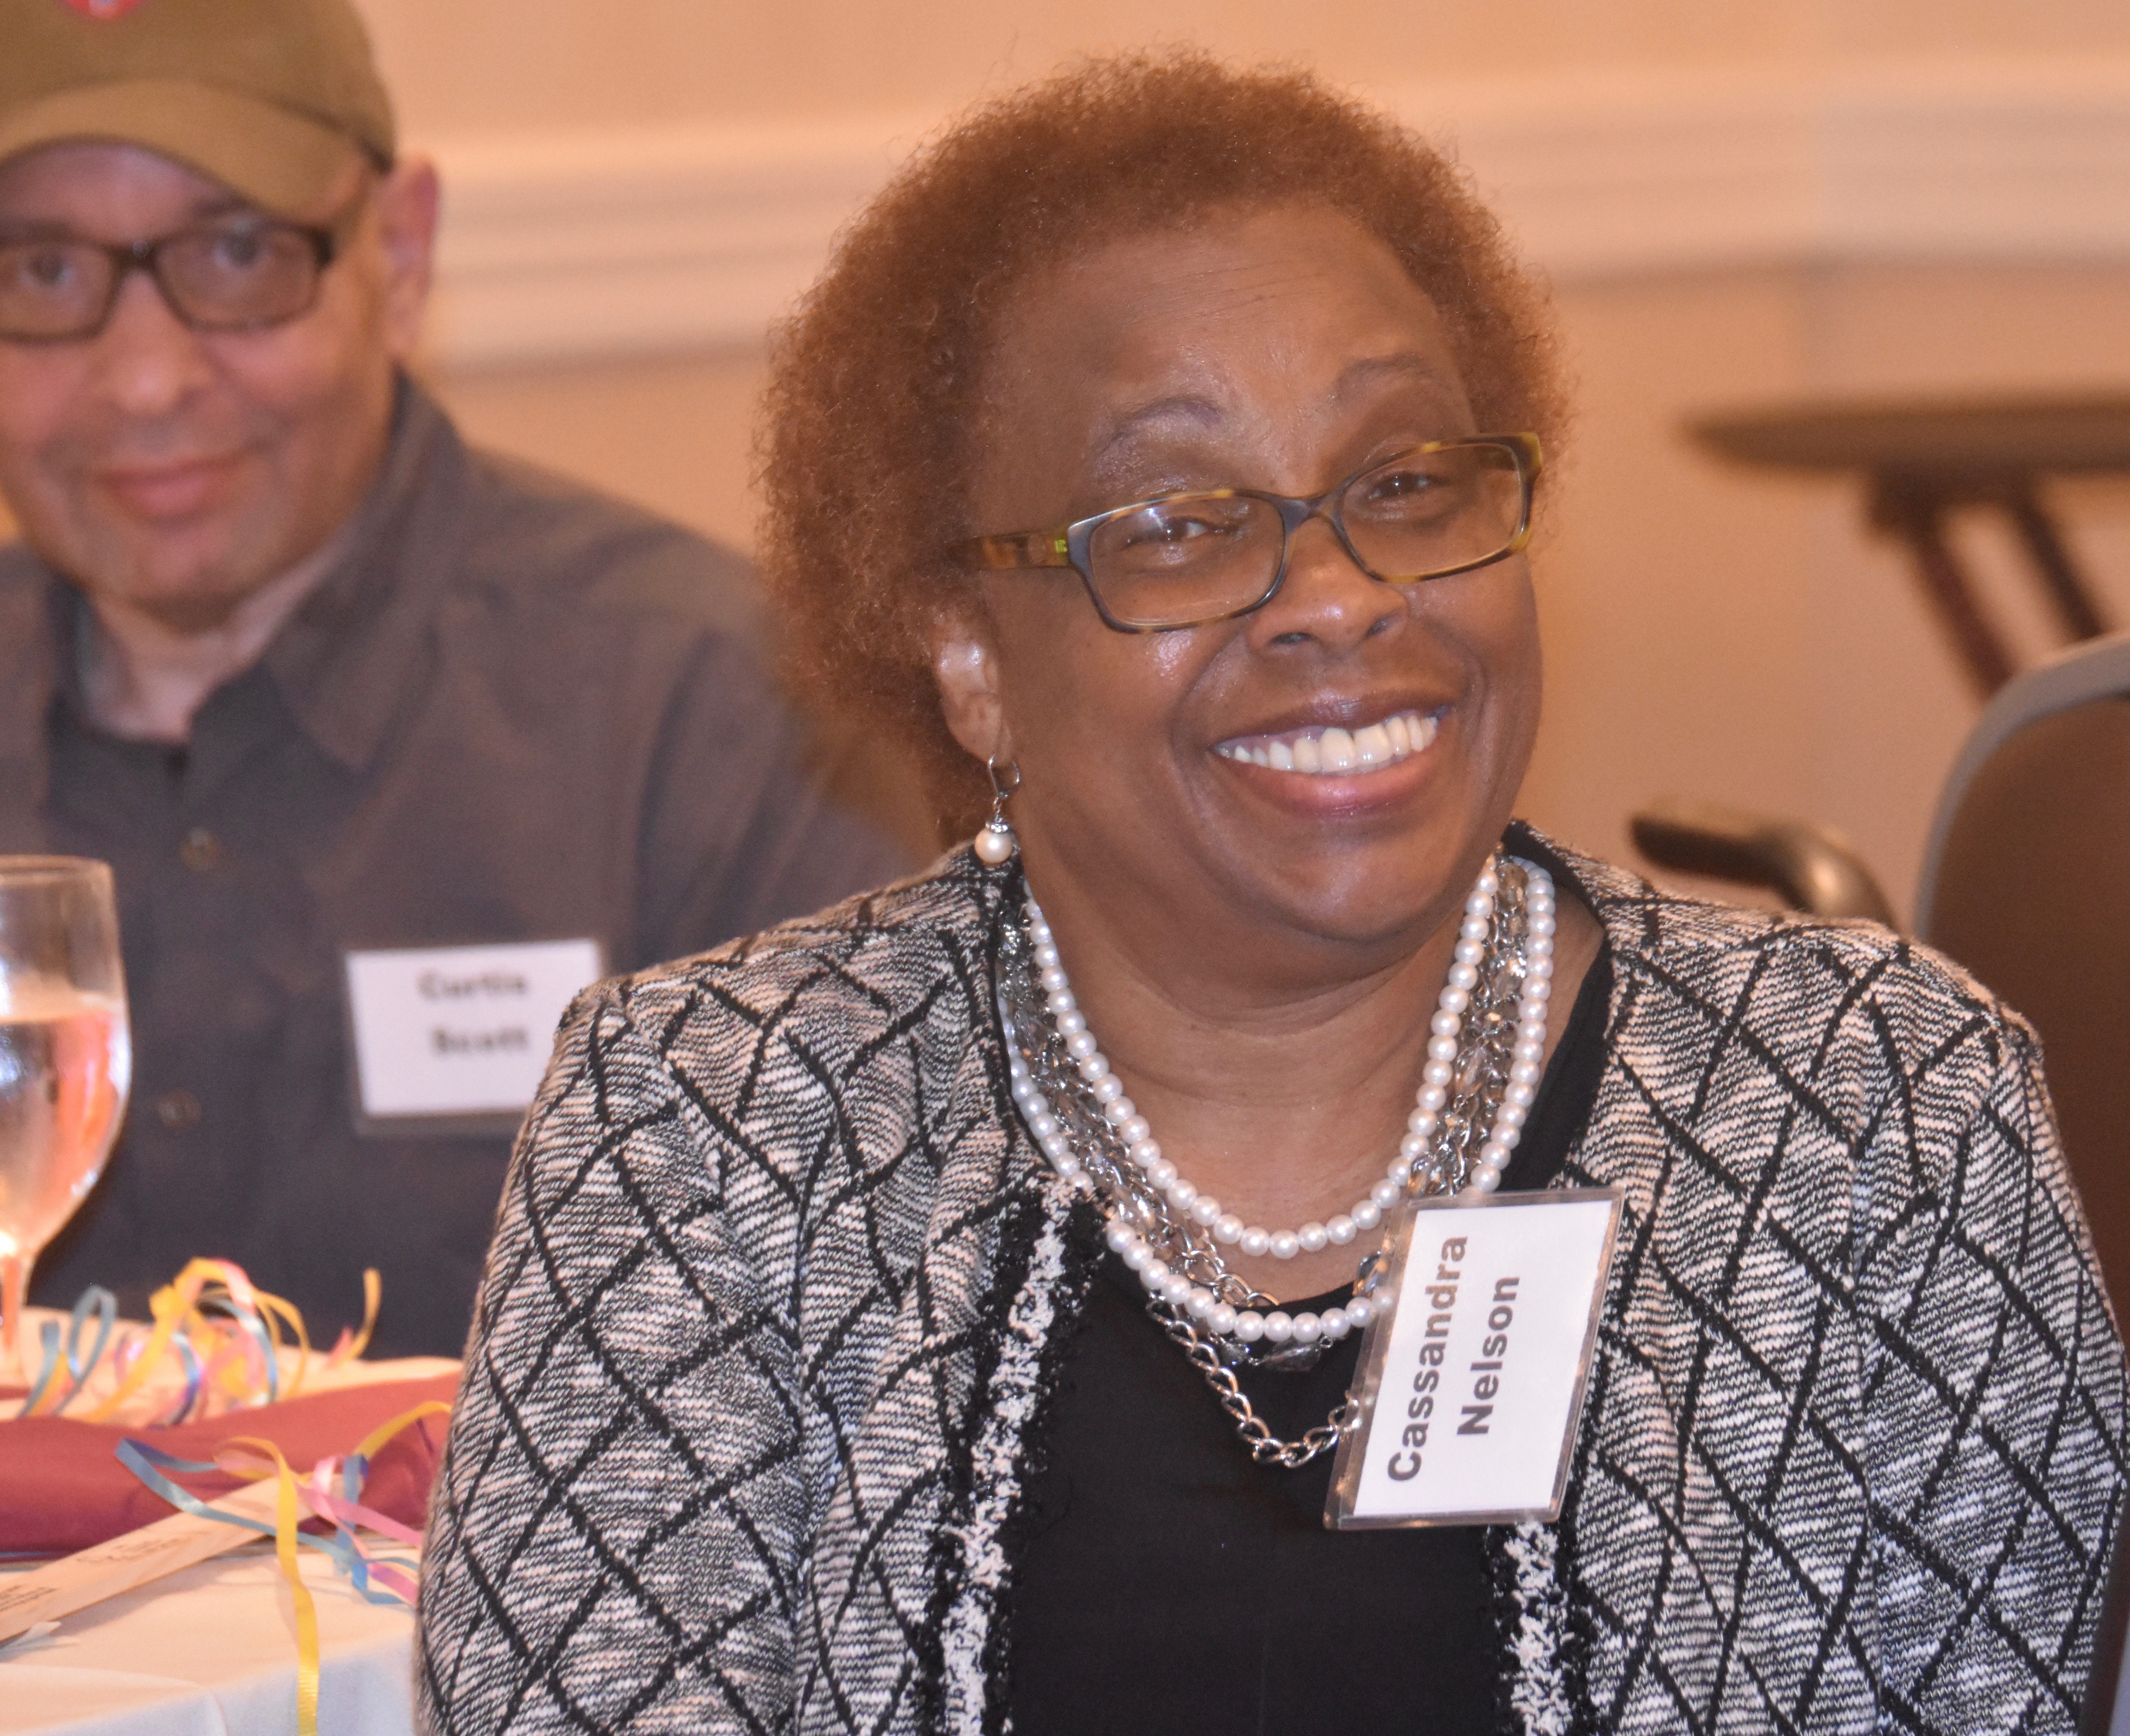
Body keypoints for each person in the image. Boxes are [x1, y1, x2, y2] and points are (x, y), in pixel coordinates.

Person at [416, 54, 2127, 1733]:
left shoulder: (1872, 1111)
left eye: (1404, 483)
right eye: (1177, 521)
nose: (1335, 595)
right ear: (968, 659)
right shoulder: (705, 1133)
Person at [0, 0, 904, 1357]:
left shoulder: (719, 717)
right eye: (43, 272)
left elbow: (860, 1348)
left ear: (403, 255)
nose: (142, 382)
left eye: (237, 255)